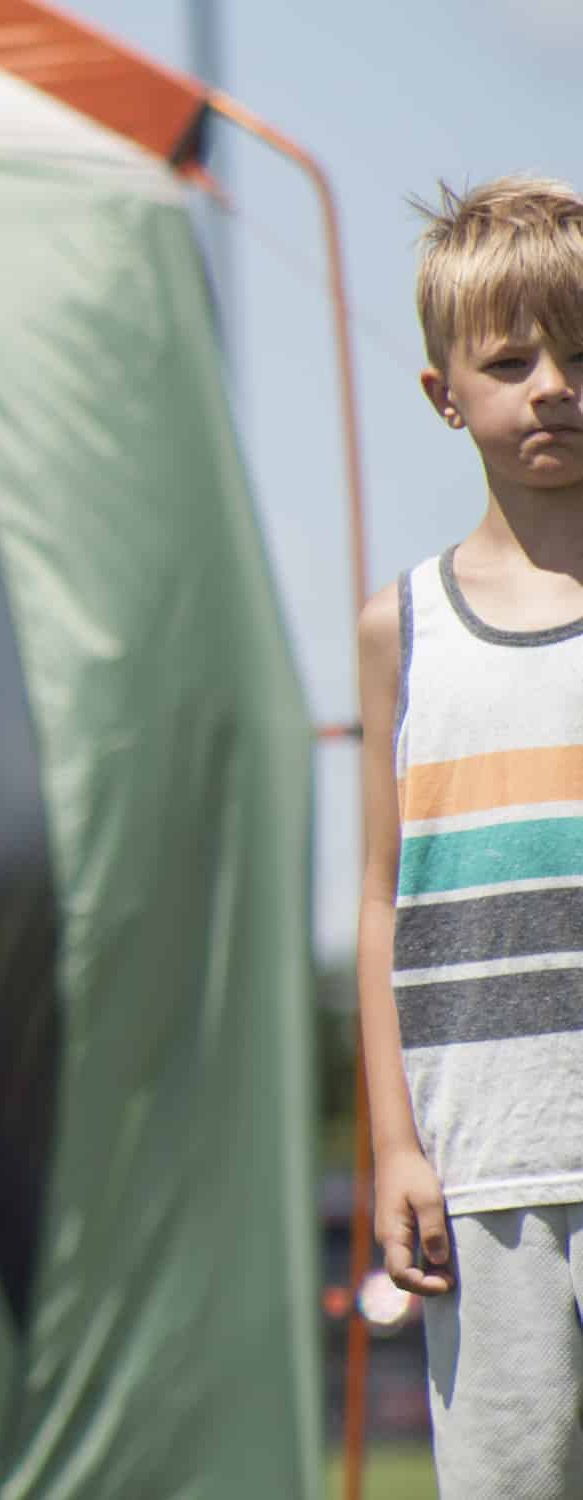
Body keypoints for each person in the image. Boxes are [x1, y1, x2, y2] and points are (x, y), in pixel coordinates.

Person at [357, 175, 583, 1495]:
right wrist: (393, 1146)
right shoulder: (399, 629)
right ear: (446, 393)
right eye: (510, 360)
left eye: (581, 354)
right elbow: (380, 899)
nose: (552, 385)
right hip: (482, 1156)